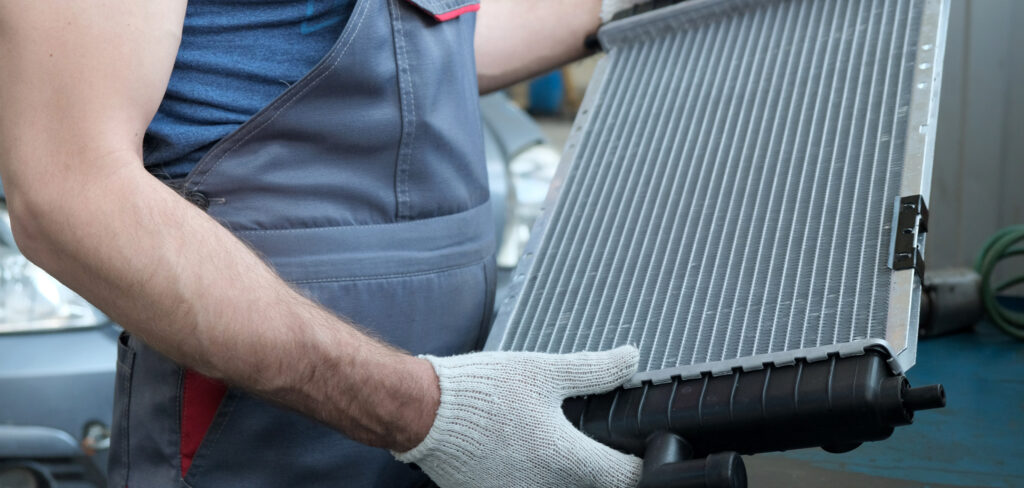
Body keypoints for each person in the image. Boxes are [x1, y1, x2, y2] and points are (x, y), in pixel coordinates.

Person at [0, 0, 645, 486]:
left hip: (462, 425)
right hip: (263, 443)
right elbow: (70, 192)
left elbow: (431, 44)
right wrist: (428, 413)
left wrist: (617, 5)